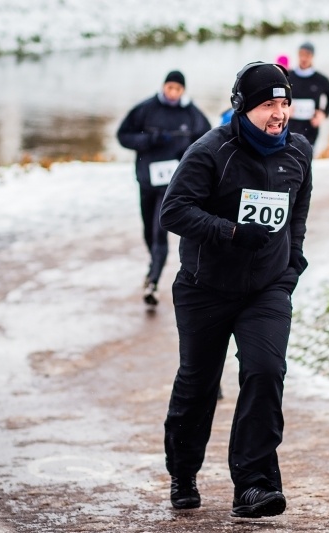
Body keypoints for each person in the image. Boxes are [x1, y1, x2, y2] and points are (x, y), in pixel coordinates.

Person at [159, 61, 312, 518]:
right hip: (205, 288)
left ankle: (254, 484)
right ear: (243, 107)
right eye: (268, 105)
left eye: (284, 104)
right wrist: (229, 232)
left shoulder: (298, 152)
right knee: (199, 383)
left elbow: (297, 217)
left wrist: (291, 267)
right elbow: (174, 210)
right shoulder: (211, 151)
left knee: (265, 371)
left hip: (266, 289)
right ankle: (183, 472)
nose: (279, 114)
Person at [117, 70, 212, 307]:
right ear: (163, 87)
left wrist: (187, 152)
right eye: (170, 88)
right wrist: (149, 140)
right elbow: (123, 136)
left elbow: (208, 140)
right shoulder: (146, 109)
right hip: (147, 178)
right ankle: (154, 265)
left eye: (177, 89)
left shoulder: (191, 114)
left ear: (183, 91)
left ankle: (153, 282)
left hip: (171, 184)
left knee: (160, 231)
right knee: (148, 231)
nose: (173, 93)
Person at [287, 42, 329, 147]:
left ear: (312, 56)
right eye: (301, 54)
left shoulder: (320, 79)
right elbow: (278, 97)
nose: (304, 58)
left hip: (310, 130)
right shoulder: (288, 76)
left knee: (307, 155)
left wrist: (323, 114)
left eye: (307, 55)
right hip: (290, 129)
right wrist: (285, 109)